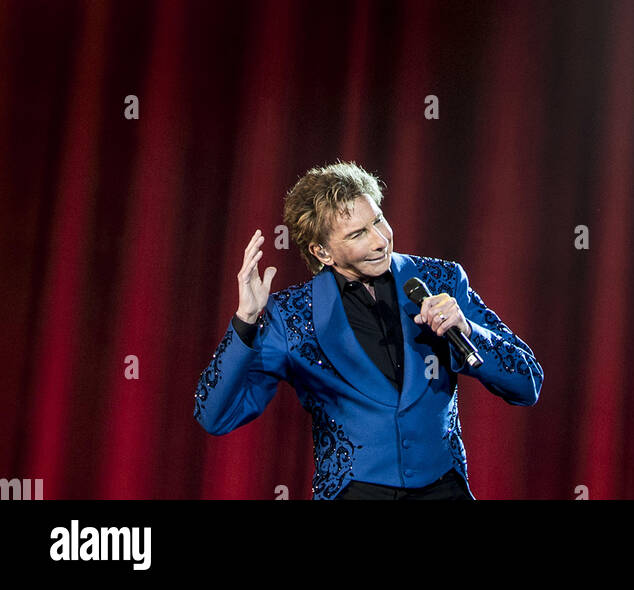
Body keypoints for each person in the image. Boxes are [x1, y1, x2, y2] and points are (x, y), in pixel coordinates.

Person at [194, 160, 542, 499]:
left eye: (378, 220)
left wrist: (467, 328)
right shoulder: (293, 316)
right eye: (359, 233)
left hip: (443, 489)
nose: (380, 240)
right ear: (322, 252)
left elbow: (527, 382)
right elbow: (215, 416)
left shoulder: (441, 280)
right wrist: (245, 320)